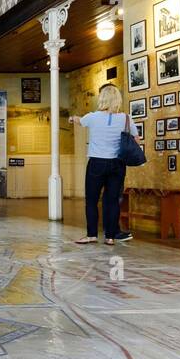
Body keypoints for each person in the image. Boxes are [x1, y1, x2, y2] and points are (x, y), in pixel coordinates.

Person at [71, 83, 138, 246]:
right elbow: (136, 139)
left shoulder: (93, 117)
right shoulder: (126, 118)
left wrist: (72, 118)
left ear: (102, 99)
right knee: (113, 200)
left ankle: (92, 235)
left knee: (92, 200)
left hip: (96, 163)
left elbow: (80, 121)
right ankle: (110, 237)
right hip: (117, 164)